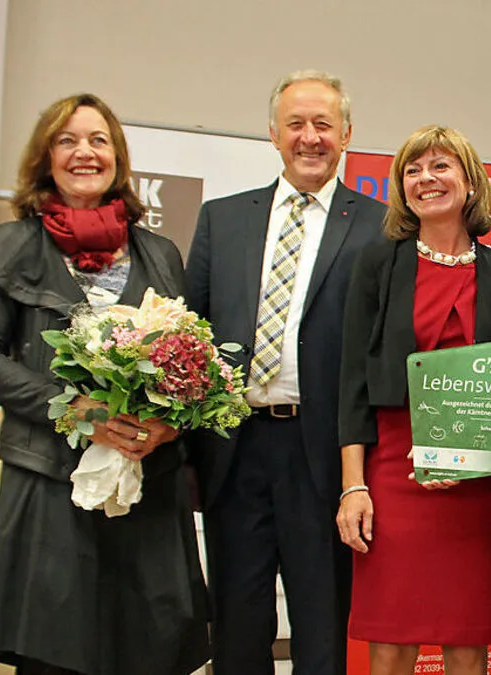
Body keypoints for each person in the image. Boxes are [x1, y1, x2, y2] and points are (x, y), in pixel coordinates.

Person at [0, 93, 207, 675]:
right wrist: (74, 410)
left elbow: (189, 360)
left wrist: (169, 424)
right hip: (49, 482)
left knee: (148, 647)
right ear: (46, 157)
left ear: (118, 158)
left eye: (98, 140)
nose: (84, 152)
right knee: (57, 651)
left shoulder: (161, 252)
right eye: (67, 140)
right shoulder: (13, 245)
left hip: (147, 486)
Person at [185, 70, 384, 675]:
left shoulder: (381, 226)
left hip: (322, 452)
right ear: (273, 133)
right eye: (296, 124)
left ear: (346, 133)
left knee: (322, 626)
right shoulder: (223, 220)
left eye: (323, 124)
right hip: (234, 449)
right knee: (238, 627)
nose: (310, 137)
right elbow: (190, 332)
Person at [336, 125, 491, 675]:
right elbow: (352, 382)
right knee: (391, 636)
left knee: (467, 638)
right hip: (395, 473)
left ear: (469, 182)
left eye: (441, 166)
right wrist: (354, 486)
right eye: (414, 170)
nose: (427, 179)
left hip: (478, 480)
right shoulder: (378, 264)